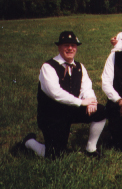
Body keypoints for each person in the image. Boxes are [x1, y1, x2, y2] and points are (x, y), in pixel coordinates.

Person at [22, 31, 106, 159]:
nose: (70, 48)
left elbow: (86, 87)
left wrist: (91, 101)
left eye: (73, 45)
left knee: (100, 111)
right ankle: (29, 142)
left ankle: (91, 149)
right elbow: (55, 93)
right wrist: (81, 102)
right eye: (66, 45)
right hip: (52, 115)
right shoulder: (48, 67)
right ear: (59, 47)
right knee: (54, 155)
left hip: (70, 110)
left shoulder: (80, 67)